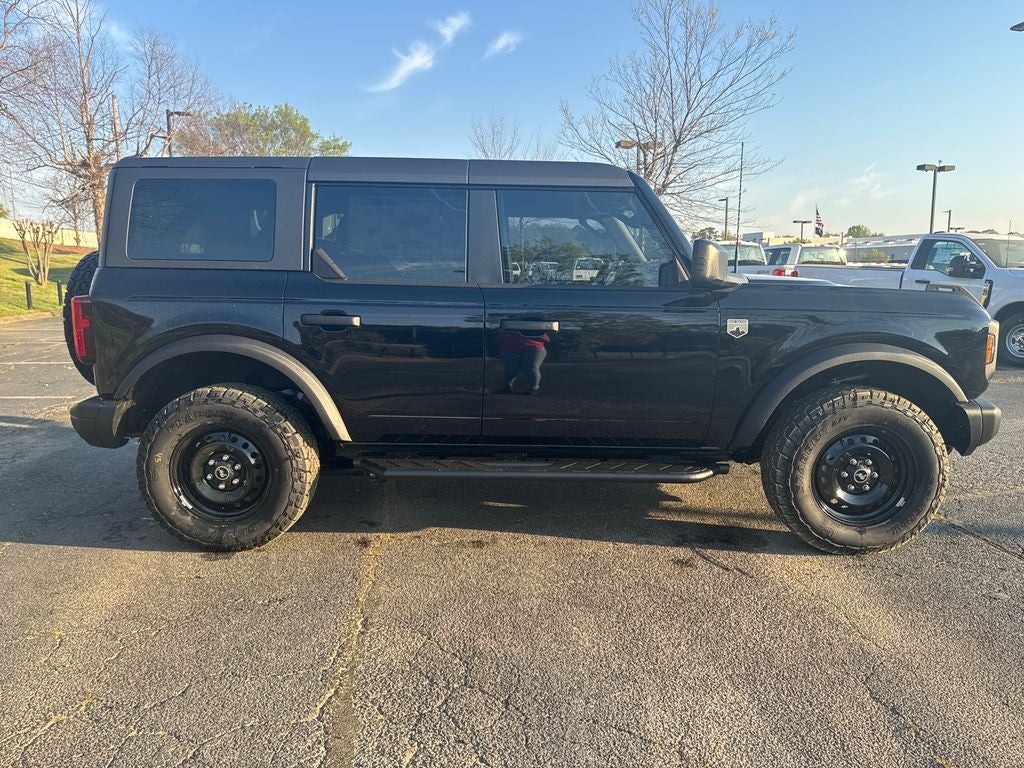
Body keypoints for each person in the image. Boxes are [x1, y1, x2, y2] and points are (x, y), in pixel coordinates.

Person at [498, 329, 549, 395]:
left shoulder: (532, 321)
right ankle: (507, 387)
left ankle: (533, 388)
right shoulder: (507, 322)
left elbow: (546, 339)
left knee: (532, 368)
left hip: (533, 347)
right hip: (509, 349)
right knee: (510, 369)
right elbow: (499, 338)